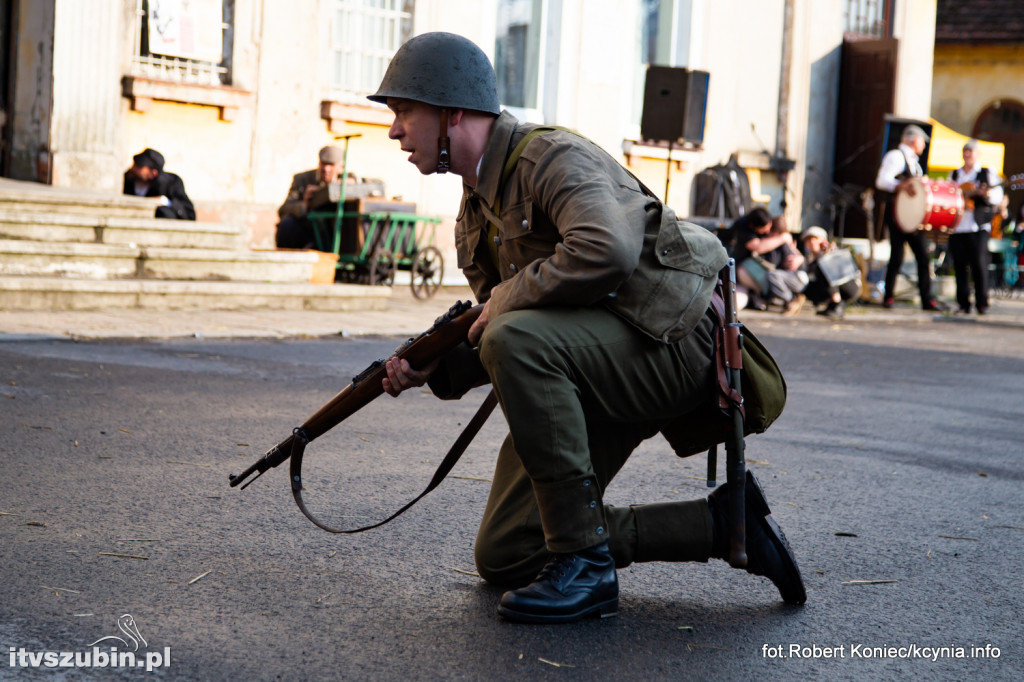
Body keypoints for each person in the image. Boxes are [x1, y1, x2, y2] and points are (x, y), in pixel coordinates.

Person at [369, 32, 806, 624]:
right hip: (592, 367)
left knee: (510, 338)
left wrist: (505, 303)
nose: (394, 130)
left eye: (403, 110)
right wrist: (434, 367)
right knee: (506, 552)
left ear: (451, 112)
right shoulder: (473, 216)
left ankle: (586, 566)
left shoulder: (549, 156)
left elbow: (605, 251)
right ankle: (725, 526)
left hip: (672, 343)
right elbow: (504, 333)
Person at [877, 125, 942, 311]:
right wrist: (901, 185)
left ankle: (926, 299)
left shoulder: (916, 163)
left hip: (915, 217)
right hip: (898, 214)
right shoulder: (896, 156)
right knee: (896, 255)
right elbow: (882, 180)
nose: (923, 145)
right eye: (922, 141)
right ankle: (888, 296)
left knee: (923, 257)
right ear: (914, 140)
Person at [948, 140, 1004, 314]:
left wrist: (986, 195)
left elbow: (997, 196)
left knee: (979, 265)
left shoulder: (987, 173)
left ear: (977, 154)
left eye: (970, 152)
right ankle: (963, 303)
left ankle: (981, 302)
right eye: (965, 152)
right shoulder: (955, 174)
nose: (967, 155)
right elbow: (949, 195)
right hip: (958, 226)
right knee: (959, 266)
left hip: (978, 226)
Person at [732, 208, 807, 315]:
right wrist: (783, 238)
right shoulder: (743, 228)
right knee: (735, 305)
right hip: (743, 276)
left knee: (772, 275)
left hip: (792, 277)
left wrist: (800, 258)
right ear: (753, 227)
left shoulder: (780, 244)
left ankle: (790, 299)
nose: (767, 233)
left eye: (770, 229)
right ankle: (764, 298)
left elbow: (792, 255)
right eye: (764, 231)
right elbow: (757, 246)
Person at [275, 146, 351, 249]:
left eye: (331, 165)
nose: (326, 169)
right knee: (287, 224)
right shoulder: (302, 180)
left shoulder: (348, 179)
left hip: (334, 233)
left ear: (341, 168)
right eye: (323, 164)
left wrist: (352, 184)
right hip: (309, 232)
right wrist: (305, 205)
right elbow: (283, 210)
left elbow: (374, 185)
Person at [799, 226, 860, 319]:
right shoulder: (808, 257)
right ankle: (831, 305)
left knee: (825, 267)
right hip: (826, 289)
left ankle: (837, 304)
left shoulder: (832, 253)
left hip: (848, 286)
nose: (811, 242)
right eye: (808, 240)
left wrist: (827, 252)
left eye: (814, 239)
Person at [122, 148, 195, 220]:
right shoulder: (127, 179)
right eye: (135, 164)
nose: (133, 168)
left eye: (139, 167)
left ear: (153, 173)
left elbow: (188, 214)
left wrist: (165, 202)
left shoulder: (171, 183)